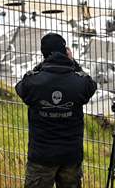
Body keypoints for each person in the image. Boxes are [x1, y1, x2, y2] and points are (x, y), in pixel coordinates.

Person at [16, 33, 97, 188]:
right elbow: (90, 85)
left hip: (41, 156)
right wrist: (73, 63)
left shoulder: (34, 82)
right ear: (65, 52)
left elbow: (21, 87)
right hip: (70, 155)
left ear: (44, 54)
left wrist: (43, 65)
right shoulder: (79, 82)